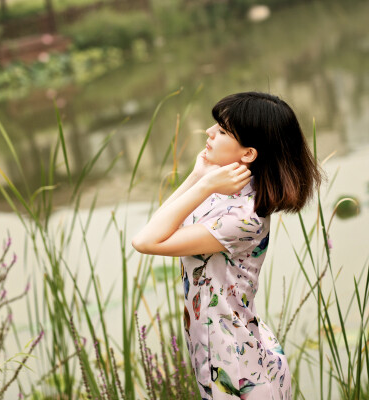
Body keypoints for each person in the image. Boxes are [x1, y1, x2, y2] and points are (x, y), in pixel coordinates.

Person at [132, 92, 322, 399]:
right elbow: (158, 225)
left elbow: (145, 241)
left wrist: (204, 183)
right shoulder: (227, 190)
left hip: (235, 368)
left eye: (221, 131)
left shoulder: (244, 217)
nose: (208, 132)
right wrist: (198, 176)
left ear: (248, 154)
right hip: (225, 347)